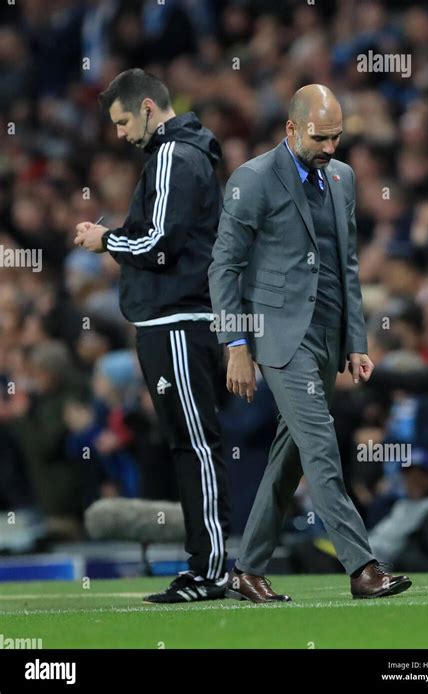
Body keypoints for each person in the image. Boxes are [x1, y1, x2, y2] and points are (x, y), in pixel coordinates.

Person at [209, 84, 412, 602]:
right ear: (291, 129)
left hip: (325, 334)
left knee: (290, 456)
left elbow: (345, 265)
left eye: (337, 137)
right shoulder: (252, 179)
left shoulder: (341, 178)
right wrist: (235, 344)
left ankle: (247, 569)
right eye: (320, 137)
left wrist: (356, 340)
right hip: (276, 336)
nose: (330, 148)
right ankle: (362, 567)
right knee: (320, 444)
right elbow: (224, 266)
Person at [75, 68, 230, 603]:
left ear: (146, 107)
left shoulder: (171, 156)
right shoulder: (185, 155)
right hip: (173, 322)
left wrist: (106, 240)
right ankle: (208, 565)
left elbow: (160, 245)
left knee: (196, 447)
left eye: (122, 122)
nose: (119, 135)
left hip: (178, 322)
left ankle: (211, 570)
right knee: (190, 445)